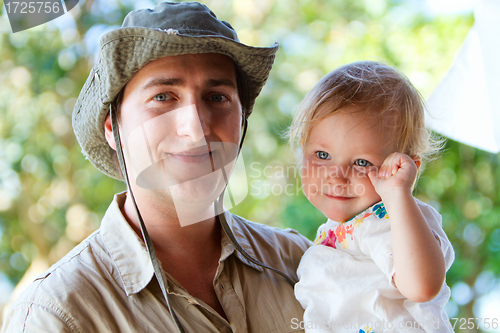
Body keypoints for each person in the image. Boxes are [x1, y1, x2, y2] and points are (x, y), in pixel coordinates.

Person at [2, 2, 311, 332]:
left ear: (242, 120)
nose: (196, 129)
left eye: (217, 97)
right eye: (163, 97)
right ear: (112, 128)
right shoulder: (59, 313)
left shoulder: (299, 263)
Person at [289, 61, 455, 332]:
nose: (337, 175)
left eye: (362, 162)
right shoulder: (336, 232)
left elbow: (423, 286)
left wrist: (398, 196)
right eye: (322, 155)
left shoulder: (393, 217)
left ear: (402, 168)